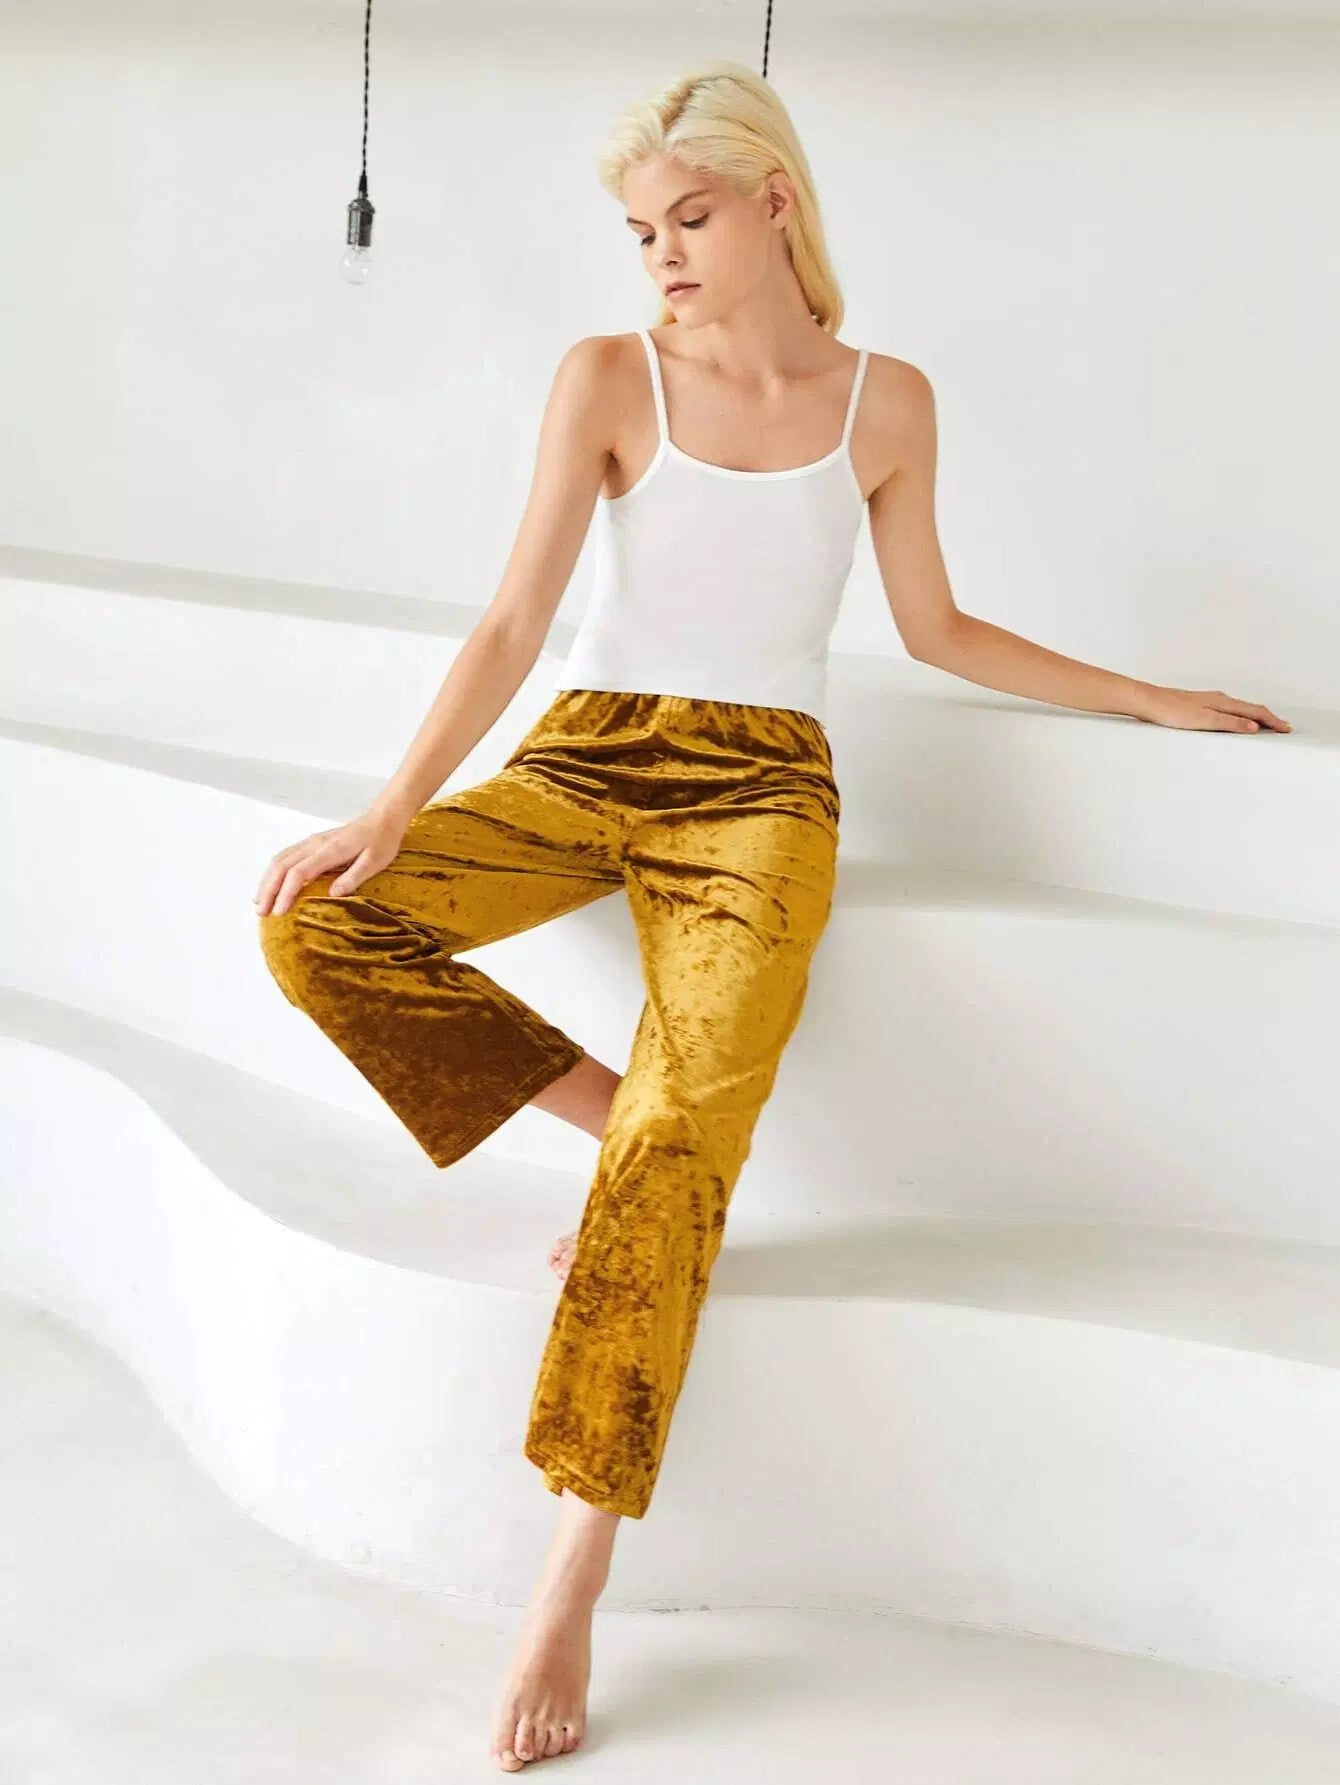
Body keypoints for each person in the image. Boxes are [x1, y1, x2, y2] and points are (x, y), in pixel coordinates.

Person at [252, 57, 1290, 1773]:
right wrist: (391, 810)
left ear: (775, 202)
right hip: (584, 757)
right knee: (319, 927)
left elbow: (938, 627)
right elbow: (513, 622)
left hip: (762, 798)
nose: (659, 254)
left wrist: (1145, 695)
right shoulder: (607, 376)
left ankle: (570, 1577)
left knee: (679, 1166)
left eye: (688, 218)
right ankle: (630, 1131)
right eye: (639, 231)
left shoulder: (888, 401)